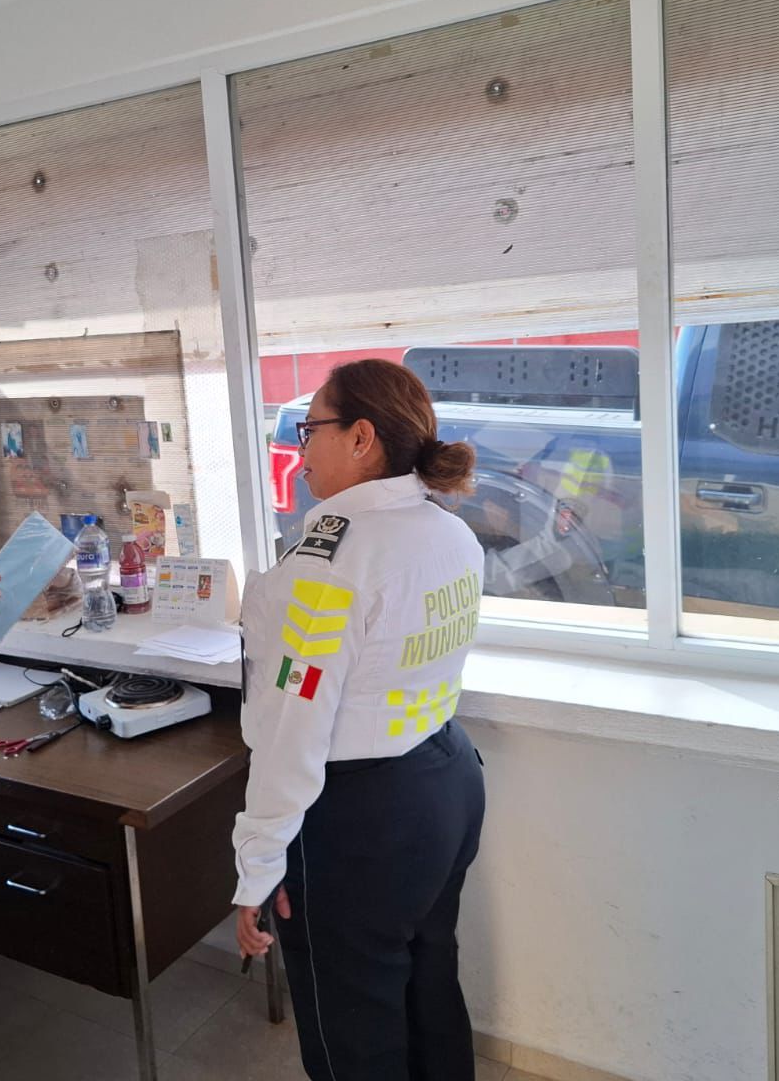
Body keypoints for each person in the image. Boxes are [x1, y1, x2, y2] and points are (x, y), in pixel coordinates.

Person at [233, 358, 488, 1080]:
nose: (301, 449)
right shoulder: (447, 532)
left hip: (363, 822)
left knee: (354, 1026)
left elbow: (293, 731)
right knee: (429, 980)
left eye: (310, 428)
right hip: (446, 781)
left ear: (361, 437)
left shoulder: (329, 564)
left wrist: (257, 867)